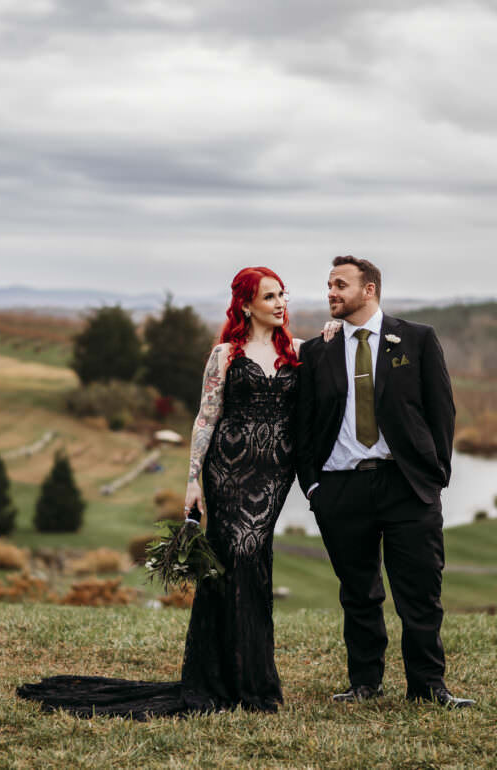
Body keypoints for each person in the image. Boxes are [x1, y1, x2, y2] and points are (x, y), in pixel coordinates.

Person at [17, 266, 301, 718]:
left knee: (255, 563)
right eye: (270, 296)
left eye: (283, 294)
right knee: (233, 562)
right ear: (246, 305)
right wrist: (193, 481)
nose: (281, 303)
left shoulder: (299, 353)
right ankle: (231, 682)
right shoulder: (225, 355)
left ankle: (253, 678)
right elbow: (206, 418)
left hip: (273, 475)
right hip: (226, 472)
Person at [296, 255, 474, 709]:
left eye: (340, 284)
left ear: (369, 289)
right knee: (358, 593)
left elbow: (441, 411)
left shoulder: (416, 339)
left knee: (420, 593)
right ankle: (364, 683)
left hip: (407, 487)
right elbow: (304, 425)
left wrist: (436, 477)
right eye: (328, 285)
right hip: (340, 488)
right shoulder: (318, 350)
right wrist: (314, 488)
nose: (331, 292)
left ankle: (428, 687)